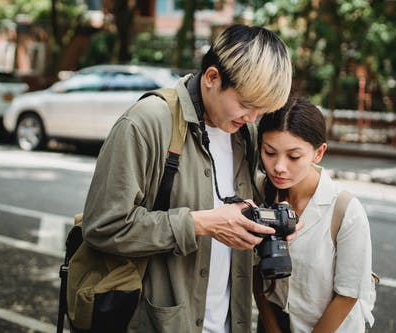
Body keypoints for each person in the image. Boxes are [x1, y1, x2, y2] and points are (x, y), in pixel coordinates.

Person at [81, 24, 293, 333]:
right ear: (211, 78)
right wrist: (200, 223)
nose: (252, 118)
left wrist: (267, 227)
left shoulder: (244, 134)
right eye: (247, 104)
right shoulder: (148, 122)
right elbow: (103, 226)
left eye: (261, 110)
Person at [253, 96, 374, 333]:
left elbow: (348, 294)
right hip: (273, 322)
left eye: (294, 157)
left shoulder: (345, 211)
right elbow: (255, 270)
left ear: (319, 153)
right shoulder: (260, 193)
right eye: (269, 152)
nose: (279, 166)